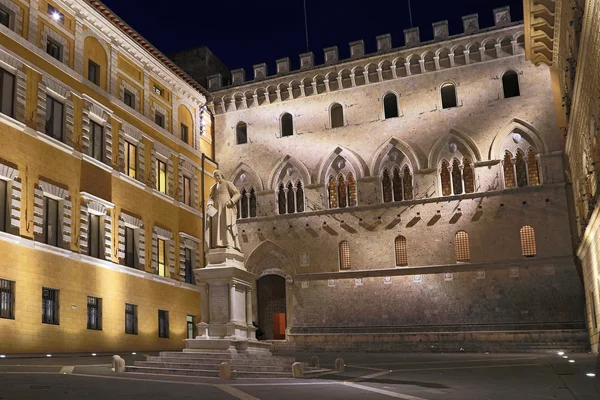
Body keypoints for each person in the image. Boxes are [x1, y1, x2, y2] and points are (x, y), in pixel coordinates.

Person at [205, 170, 241, 251]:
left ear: (221, 175)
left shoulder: (227, 183)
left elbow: (237, 194)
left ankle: (229, 243)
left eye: (218, 175)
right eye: (215, 176)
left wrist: (231, 201)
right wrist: (210, 204)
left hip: (226, 207)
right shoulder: (214, 187)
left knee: (226, 224)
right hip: (216, 208)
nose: (217, 177)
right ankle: (218, 244)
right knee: (216, 225)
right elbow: (210, 197)